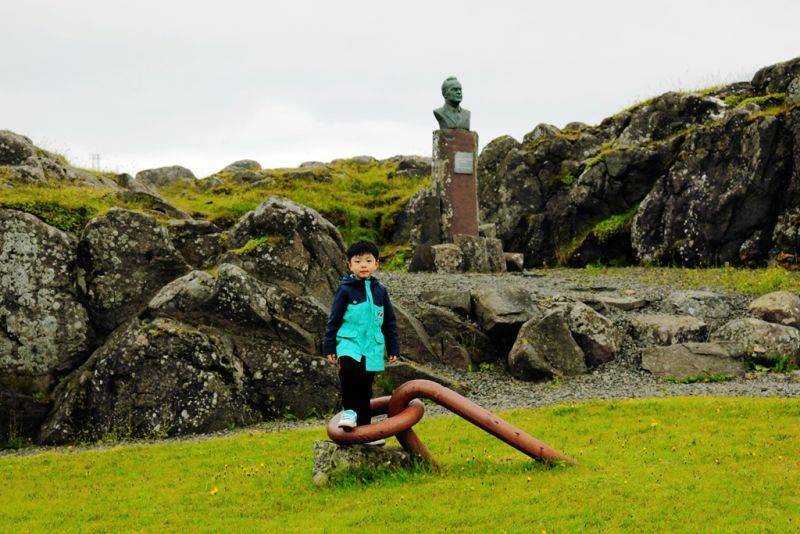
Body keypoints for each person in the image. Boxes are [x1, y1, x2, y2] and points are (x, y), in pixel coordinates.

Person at [324, 240, 400, 438]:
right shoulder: (345, 290)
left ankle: (365, 431)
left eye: (368, 261)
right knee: (349, 373)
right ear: (350, 265)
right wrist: (330, 346)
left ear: (376, 264)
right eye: (358, 261)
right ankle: (349, 411)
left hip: (372, 347)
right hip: (349, 343)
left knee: (365, 387)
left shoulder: (381, 291)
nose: (363, 265)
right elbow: (334, 320)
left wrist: (393, 348)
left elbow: (389, 322)